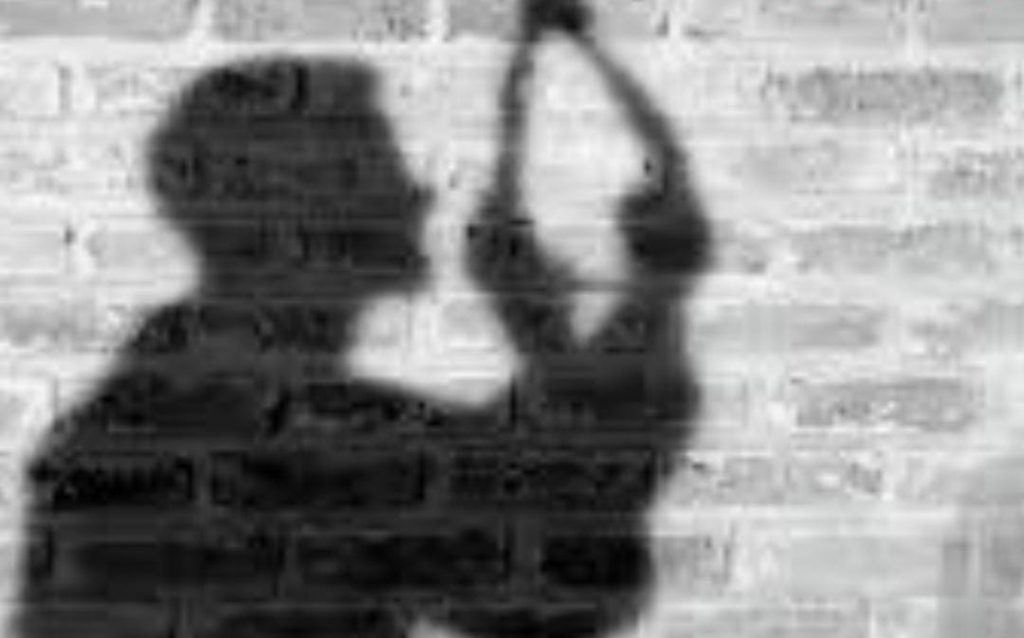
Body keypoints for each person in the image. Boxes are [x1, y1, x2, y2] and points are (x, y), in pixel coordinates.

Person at [14, 1, 709, 637]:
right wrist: (632, 304)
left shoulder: (164, 407)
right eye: (382, 163)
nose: (418, 191)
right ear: (300, 219)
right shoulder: (305, 437)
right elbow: (579, 580)